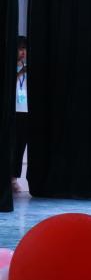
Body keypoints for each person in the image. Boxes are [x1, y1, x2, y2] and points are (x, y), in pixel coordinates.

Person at [11, 37, 28, 193]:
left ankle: (14, 178)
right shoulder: (11, 68)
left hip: (25, 111)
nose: (23, 52)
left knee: (20, 146)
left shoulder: (27, 67)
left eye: (25, 49)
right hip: (13, 111)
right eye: (20, 48)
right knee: (11, 144)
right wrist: (20, 72)